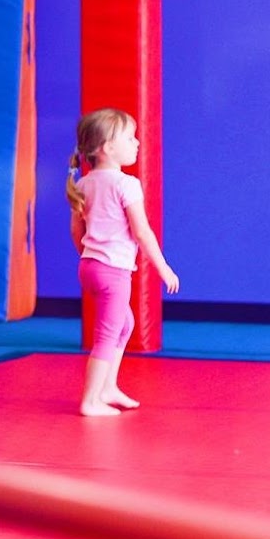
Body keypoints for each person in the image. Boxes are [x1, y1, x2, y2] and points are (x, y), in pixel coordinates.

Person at [66, 108, 179, 418]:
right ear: (107, 148)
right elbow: (142, 232)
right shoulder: (125, 184)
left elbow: (76, 230)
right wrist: (163, 268)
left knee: (125, 324)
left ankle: (108, 388)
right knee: (106, 334)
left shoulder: (84, 183)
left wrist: (89, 256)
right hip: (113, 272)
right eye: (130, 138)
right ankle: (91, 400)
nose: (137, 143)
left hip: (89, 268)